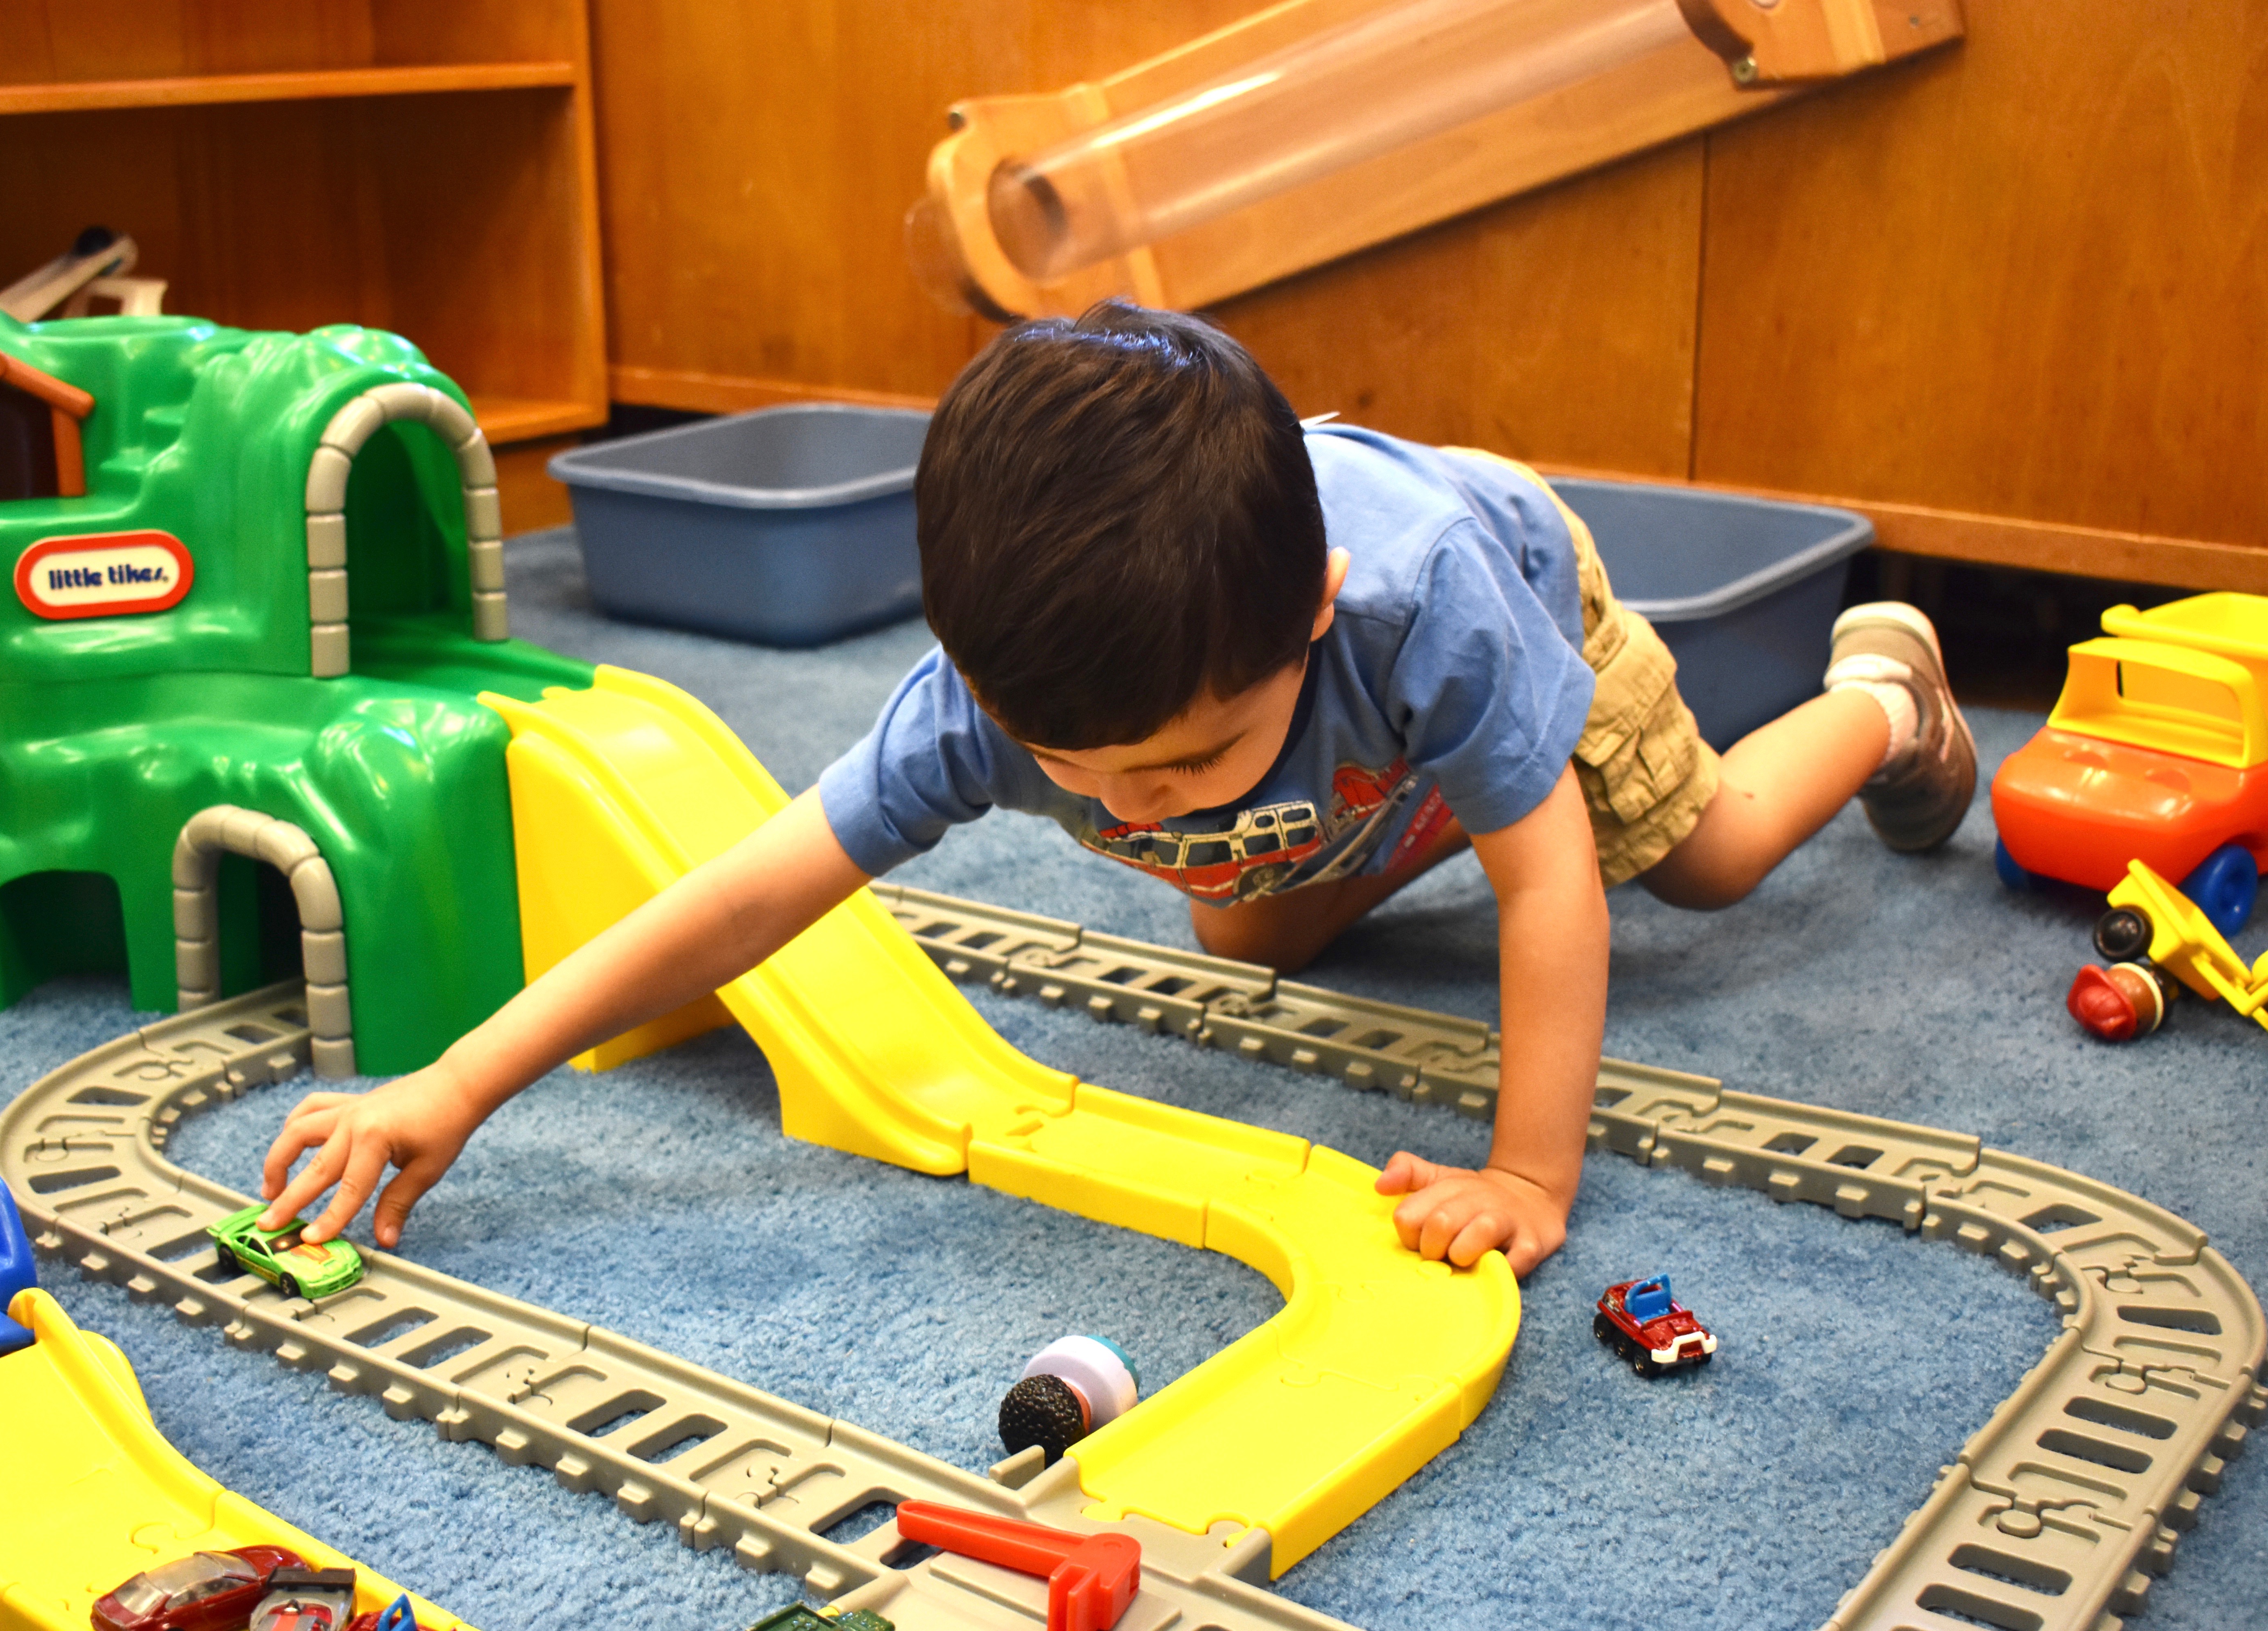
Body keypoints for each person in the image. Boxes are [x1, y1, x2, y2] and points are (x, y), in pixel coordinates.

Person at [256, 301, 1974, 1279]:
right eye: (1076, 775)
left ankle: (1883, 696)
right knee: (1241, 924)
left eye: (1181, 760)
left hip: (1535, 607)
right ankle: (1412, 792)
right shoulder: (990, 701)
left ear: (1306, 623)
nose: (1127, 811)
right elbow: (745, 896)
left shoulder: (1433, 600)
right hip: (1363, 732)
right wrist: (461, 1083)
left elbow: (1550, 892)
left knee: (1709, 863)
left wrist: (1529, 1176)